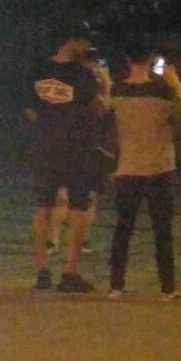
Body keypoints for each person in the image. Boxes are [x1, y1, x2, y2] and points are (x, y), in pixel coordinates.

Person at [108, 36, 181, 300]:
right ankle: (168, 287)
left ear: (127, 59)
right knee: (162, 231)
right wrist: (175, 81)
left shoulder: (117, 91)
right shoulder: (162, 92)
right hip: (159, 167)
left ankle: (116, 285)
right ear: (150, 59)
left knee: (123, 228)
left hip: (128, 167)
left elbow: (107, 117)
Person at [24, 21, 104, 292]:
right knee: (77, 208)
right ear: (73, 40)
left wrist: (46, 126)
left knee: (43, 205)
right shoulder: (83, 75)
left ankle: (41, 269)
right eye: (84, 41)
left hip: (45, 147)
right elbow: (96, 110)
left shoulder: (38, 71)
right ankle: (69, 272)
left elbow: (29, 109)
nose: (86, 47)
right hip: (76, 148)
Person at [46, 47, 113, 256]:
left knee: (89, 196)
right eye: (88, 60)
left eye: (95, 62)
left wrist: (106, 86)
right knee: (62, 195)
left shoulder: (94, 85)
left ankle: (80, 239)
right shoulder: (77, 82)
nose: (92, 66)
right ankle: (53, 240)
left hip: (92, 146)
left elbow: (105, 112)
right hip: (70, 144)